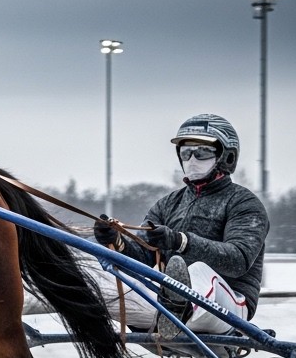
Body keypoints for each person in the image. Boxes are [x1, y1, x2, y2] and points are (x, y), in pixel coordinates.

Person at [81, 113, 269, 338]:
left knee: (197, 271)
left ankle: (176, 310)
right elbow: (144, 257)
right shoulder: (168, 204)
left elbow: (238, 260)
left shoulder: (245, 203)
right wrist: (115, 242)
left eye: (201, 152)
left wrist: (181, 241)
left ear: (226, 157)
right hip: (168, 298)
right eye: (185, 152)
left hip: (230, 304)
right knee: (95, 256)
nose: (191, 159)